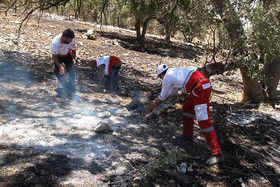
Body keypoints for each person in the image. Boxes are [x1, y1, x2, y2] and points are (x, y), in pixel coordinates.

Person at [146, 64, 224, 166]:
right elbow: (171, 92)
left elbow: (163, 96)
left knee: (203, 121)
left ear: (161, 75)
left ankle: (217, 153)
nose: (161, 79)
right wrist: (157, 101)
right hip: (200, 86)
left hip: (200, 89)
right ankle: (187, 136)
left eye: (159, 77)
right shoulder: (173, 72)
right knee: (187, 108)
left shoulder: (167, 78)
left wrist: (154, 103)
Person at [51, 29, 77, 99]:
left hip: (67, 55)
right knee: (57, 70)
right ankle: (65, 86)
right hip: (58, 56)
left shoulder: (72, 40)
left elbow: (74, 51)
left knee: (71, 70)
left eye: (72, 40)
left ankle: (72, 88)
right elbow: (54, 56)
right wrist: (60, 67)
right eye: (69, 40)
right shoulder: (55, 42)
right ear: (64, 38)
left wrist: (73, 59)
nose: (71, 41)